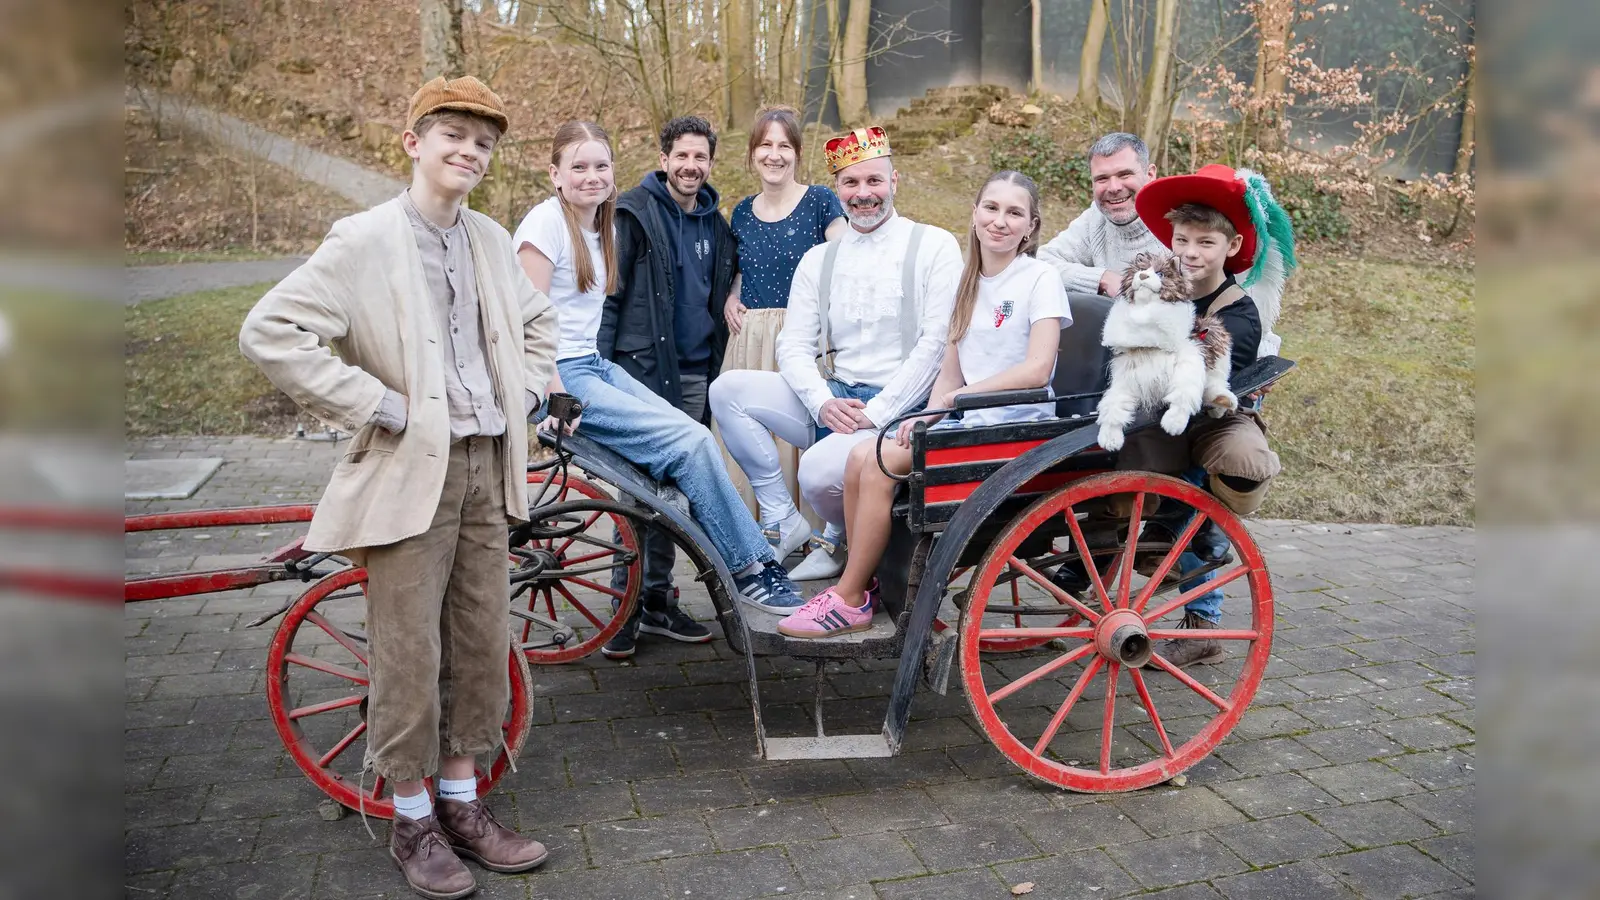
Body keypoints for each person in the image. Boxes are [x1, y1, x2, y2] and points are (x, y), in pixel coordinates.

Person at [240, 76, 557, 899]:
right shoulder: (364, 239)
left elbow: (536, 323)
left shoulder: (489, 239)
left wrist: (525, 393)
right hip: (411, 473)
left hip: (490, 466)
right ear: (413, 142)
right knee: (410, 650)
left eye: (483, 142)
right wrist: (378, 403)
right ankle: (410, 818)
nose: (468, 151)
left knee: (483, 640)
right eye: (452, 134)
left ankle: (463, 803)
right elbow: (271, 331)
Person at [513, 118, 809, 647]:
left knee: (690, 447)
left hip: (596, 368)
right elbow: (524, 323)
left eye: (600, 166)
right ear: (554, 173)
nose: (591, 176)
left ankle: (667, 594)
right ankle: (750, 569)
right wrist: (554, 396)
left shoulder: (597, 223)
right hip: (566, 376)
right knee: (692, 441)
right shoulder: (545, 225)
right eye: (578, 167)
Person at [775, 171, 1070, 637]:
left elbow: (1037, 369)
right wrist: (925, 416)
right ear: (974, 215)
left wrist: (959, 399)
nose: (1000, 221)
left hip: (1014, 429)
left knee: (876, 464)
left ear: (1031, 227)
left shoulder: (1039, 278)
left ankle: (850, 599)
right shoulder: (966, 284)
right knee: (860, 455)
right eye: (991, 208)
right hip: (965, 421)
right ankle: (865, 578)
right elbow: (949, 372)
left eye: (1015, 213)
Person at [709, 126, 963, 587]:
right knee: (727, 390)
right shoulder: (820, 258)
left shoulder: (934, 245)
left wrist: (878, 413)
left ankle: (841, 540)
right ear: (838, 189)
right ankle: (784, 517)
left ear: (895, 181)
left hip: (899, 409)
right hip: (835, 397)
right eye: (851, 183)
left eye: (874, 181)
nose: (863, 194)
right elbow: (792, 344)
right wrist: (820, 402)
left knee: (816, 472)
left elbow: (937, 343)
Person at [1122, 163, 1298, 668]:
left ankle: (1200, 611)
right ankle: (1096, 562)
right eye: (1182, 240)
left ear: (1230, 248)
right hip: (1156, 406)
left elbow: (1201, 382)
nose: (1191, 253)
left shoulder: (1239, 314)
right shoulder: (1156, 284)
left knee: (1200, 483)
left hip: (1210, 416)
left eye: (1205, 243)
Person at [719, 105, 846, 558]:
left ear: (797, 153)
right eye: (766, 146)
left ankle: (816, 538)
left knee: (799, 438)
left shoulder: (820, 202)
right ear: (752, 154)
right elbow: (742, 269)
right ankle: (765, 532)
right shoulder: (741, 213)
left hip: (802, 338)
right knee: (749, 438)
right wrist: (732, 296)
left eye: (784, 147)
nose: (775, 155)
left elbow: (846, 260)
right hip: (751, 337)